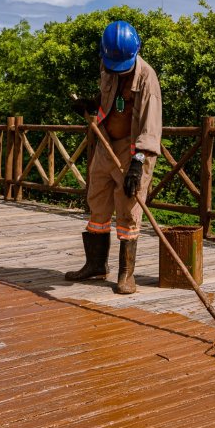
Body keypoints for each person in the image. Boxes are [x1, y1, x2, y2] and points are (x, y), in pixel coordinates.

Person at [66, 21, 162, 294]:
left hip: (134, 151)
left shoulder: (147, 80)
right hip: (105, 144)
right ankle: (96, 265)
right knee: (97, 202)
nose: (116, 69)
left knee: (128, 208)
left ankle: (125, 274)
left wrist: (137, 165)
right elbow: (106, 103)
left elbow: (150, 127)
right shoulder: (107, 65)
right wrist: (89, 105)